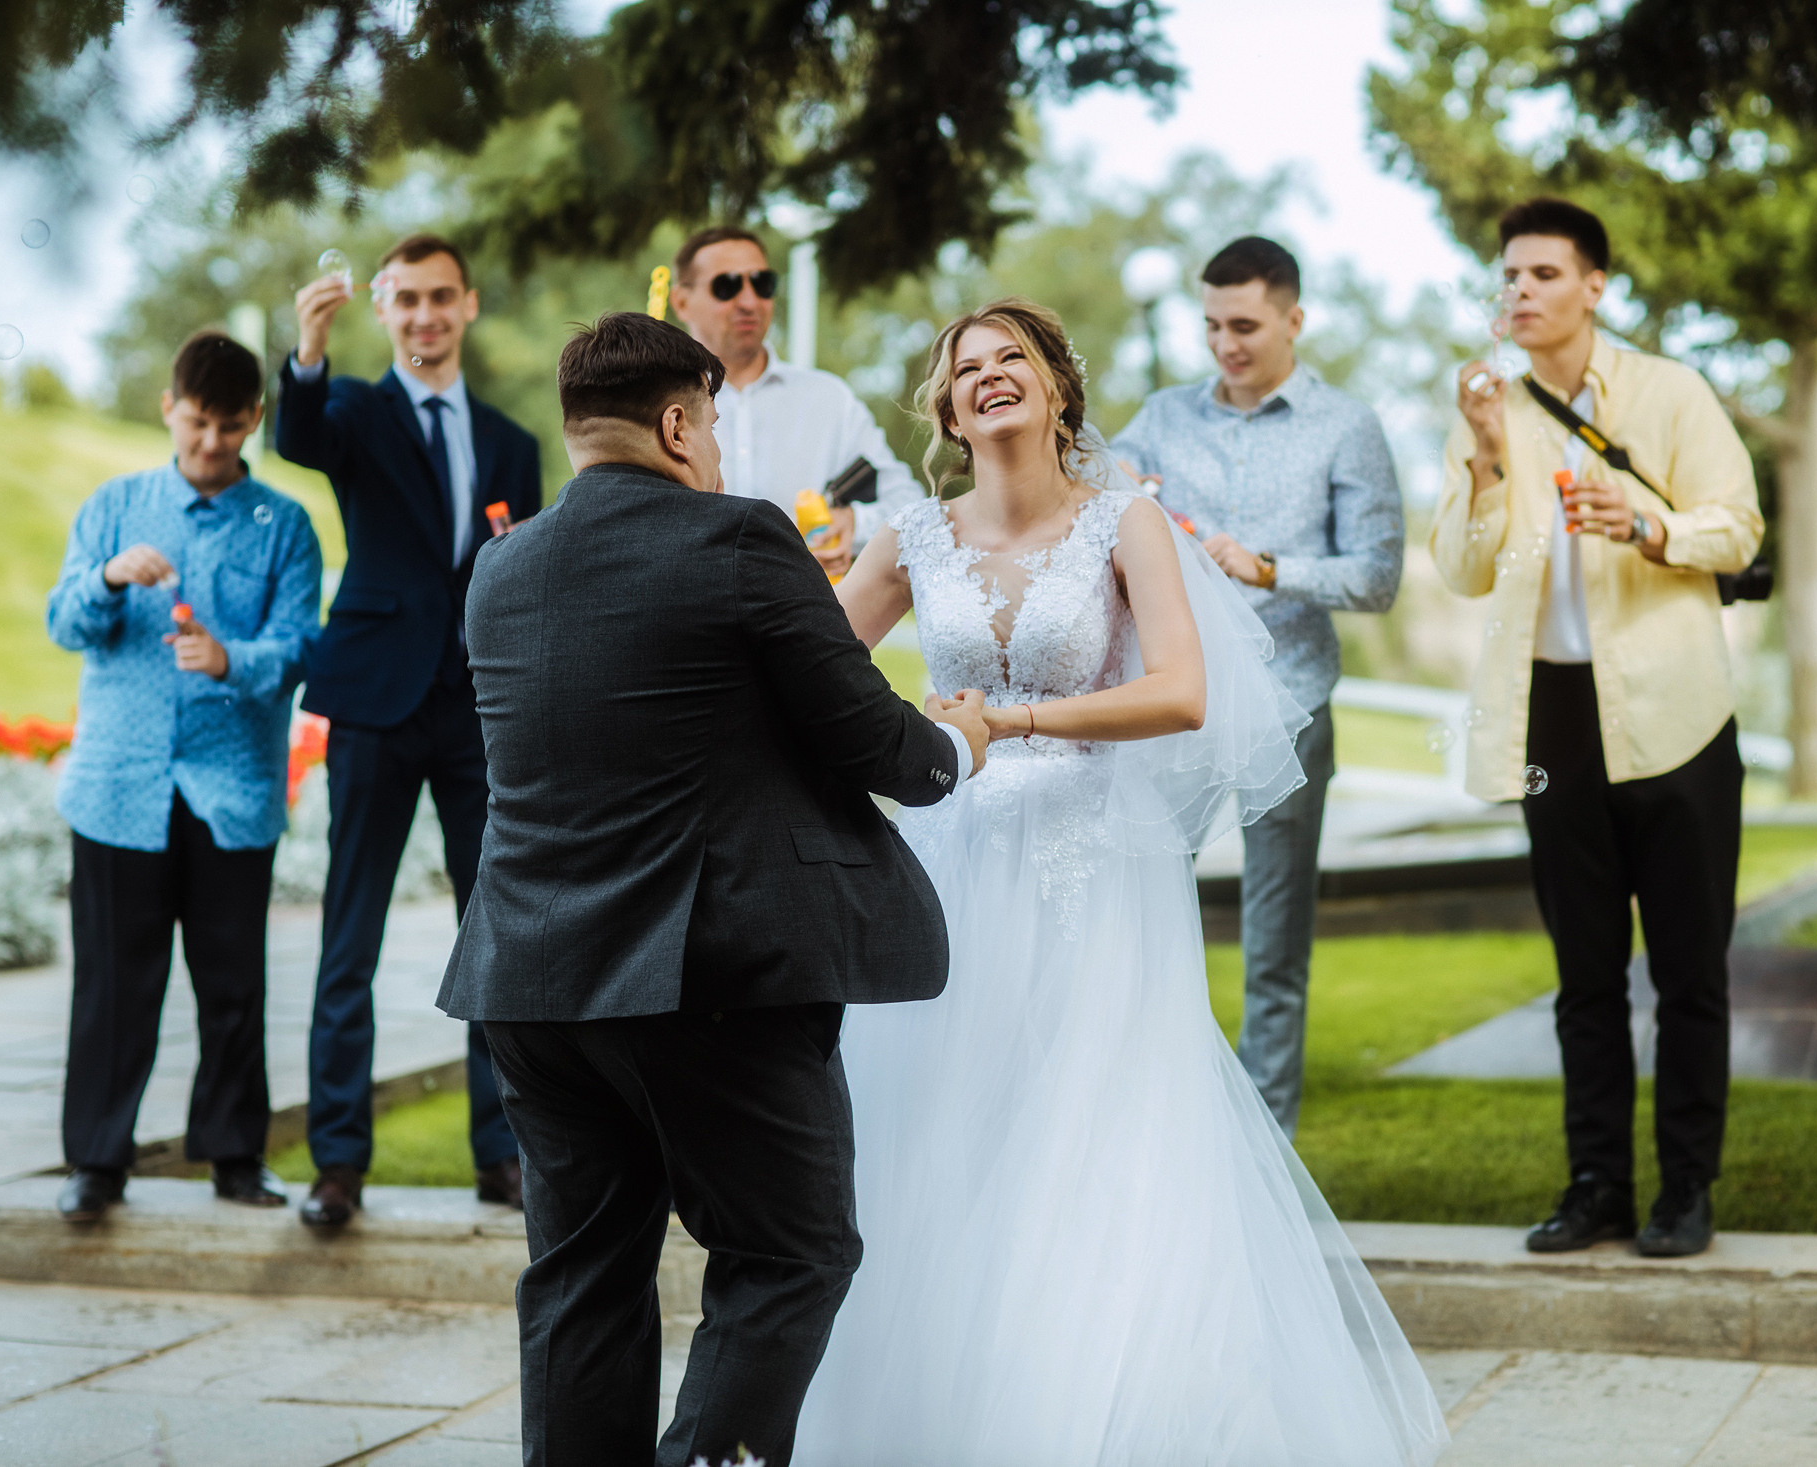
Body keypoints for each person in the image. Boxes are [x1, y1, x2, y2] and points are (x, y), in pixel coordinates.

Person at [795, 298, 1447, 1464]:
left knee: (1091, 1123)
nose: (989, 376)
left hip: (1093, 864)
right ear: (948, 412)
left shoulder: (1124, 522)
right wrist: (902, 728)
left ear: (1056, 387)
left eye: (1012, 358)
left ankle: (1098, 1409)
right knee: (954, 1124)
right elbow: (812, 674)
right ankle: (956, 1405)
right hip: (955, 857)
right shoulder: (913, 534)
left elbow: (1182, 693)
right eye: (966, 368)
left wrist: (1009, 721)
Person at [437, 311, 986, 1466]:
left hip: (528, 977)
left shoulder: (500, 567)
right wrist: (958, 746)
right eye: (715, 428)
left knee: (582, 1277)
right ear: (680, 425)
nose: (721, 452)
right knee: (789, 1255)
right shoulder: (736, 537)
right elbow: (870, 739)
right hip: (703, 976)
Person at [1436, 198, 1762, 1259]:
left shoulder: (1671, 392)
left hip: (1677, 713)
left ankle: (1686, 1191)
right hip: (1551, 716)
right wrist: (1488, 457)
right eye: (1509, 275)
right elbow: (1460, 569)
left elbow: (1738, 526)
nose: (1519, 291)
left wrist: (1651, 525)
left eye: (1542, 274)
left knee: (1689, 972)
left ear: (1594, 287)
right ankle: (1596, 1189)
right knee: (1583, 976)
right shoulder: (1486, 407)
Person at [1109, 236, 1404, 1137]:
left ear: (1293, 320)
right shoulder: (1163, 413)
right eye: (1211, 325)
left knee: (1274, 944)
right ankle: (1154, 1118)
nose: (1224, 343)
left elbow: (1378, 576)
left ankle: (1264, 1143)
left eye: (1243, 325)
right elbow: (1098, 487)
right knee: (1142, 915)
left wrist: (1269, 567)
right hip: (1179, 700)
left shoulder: (1346, 425)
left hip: (1291, 702)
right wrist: (1118, 482)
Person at [280, 233, 543, 1226]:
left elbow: (521, 579)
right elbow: (298, 436)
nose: (425, 315)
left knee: (498, 935)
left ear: (467, 305)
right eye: (406, 300)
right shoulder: (351, 410)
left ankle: (503, 1154)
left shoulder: (513, 443)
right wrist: (309, 351)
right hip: (375, 702)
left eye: (441, 297)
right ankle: (338, 1163)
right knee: (349, 936)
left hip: (480, 710)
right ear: (384, 310)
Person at [45, 331, 323, 1223]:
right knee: (111, 987)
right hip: (117, 788)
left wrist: (228, 658)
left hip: (231, 791)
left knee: (233, 985)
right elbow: (63, 621)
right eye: (198, 422)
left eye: (230, 426)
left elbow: (299, 647)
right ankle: (96, 1162)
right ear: (170, 408)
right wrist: (106, 578)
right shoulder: (114, 507)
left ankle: (237, 1156)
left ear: (255, 419)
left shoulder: (285, 525)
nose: (211, 442)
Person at [669, 225, 922, 576]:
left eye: (762, 283)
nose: (749, 302)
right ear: (681, 301)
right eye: (727, 285)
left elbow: (909, 504)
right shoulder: (656, 403)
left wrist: (853, 522)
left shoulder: (828, 399)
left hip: (800, 608)